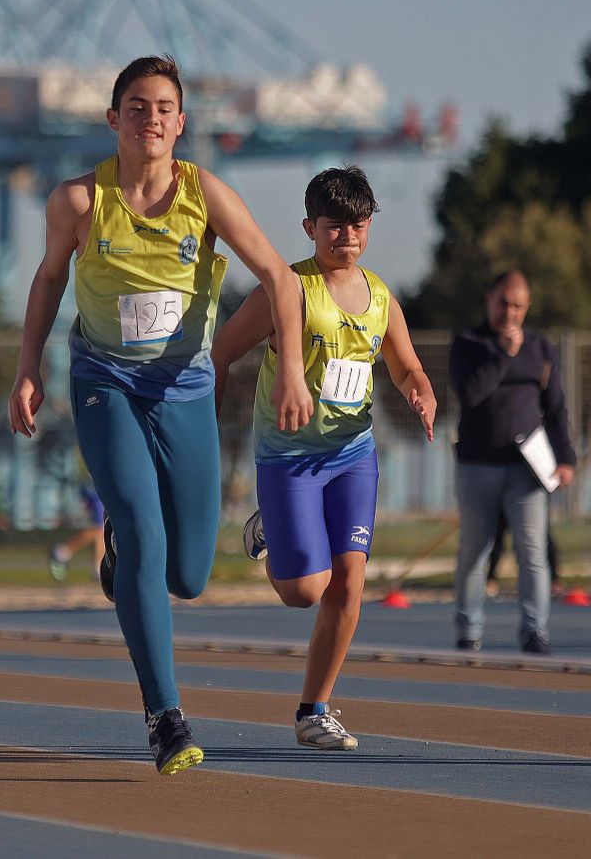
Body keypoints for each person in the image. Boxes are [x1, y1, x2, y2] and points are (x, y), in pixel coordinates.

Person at [8, 55, 311, 776]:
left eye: (164, 108)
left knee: (192, 575)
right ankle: (165, 715)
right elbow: (50, 277)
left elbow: (278, 276)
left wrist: (292, 366)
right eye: (137, 106)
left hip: (185, 390)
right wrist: (26, 368)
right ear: (114, 119)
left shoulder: (206, 195)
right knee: (145, 531)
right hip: (104, 383)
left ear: (182, 122)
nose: (151, 118)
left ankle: (120, 550)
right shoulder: (79, 202)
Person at [213, 165, 436, 751]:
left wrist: (418, 386)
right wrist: (206, 400)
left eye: (358, 227)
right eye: (335, 228)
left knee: (349, 584)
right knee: (304, 590)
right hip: (288, 458)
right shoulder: (287, 288)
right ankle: (274, 529)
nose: (348, 239)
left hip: (353, 454)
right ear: (310, 227)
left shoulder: (382, 297)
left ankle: (315, 709)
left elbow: (404, 361)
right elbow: (223, 351)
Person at [449, 270, 576, 655]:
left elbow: (555, 409)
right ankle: (469, 629)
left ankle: (535, 629)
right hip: (477, 465)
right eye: (504, 303)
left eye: (518, 306)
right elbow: (470, 394)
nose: (510, 312)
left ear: (528, 307)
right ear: (489, 299)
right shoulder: (468, 344)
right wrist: (504, 354)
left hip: (527, 470)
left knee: (533, 551)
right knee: (474, 551)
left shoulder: (541, 349)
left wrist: (566, 457)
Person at [49, 452, 106, 581]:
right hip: (93, 486)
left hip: (94, 484)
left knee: (100, 531)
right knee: (100, 528)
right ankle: (64, 551)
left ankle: (96, 566)